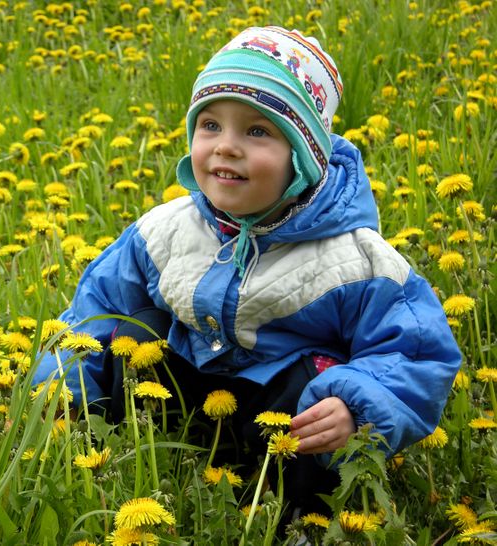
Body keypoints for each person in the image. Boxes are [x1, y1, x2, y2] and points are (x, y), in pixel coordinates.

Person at [32, 26, 461, 513]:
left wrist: (355, 404)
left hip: (282, 418)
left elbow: (416, 353)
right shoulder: (164, 230)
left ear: (303, 159)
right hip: (185, 397)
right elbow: (94, 309)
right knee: (130, 331)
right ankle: (103, 457)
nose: (225, 147)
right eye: (210, 125)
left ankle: (298, 516)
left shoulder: (356, 260)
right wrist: (60, 384)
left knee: (313, 383)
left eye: (256, 131)